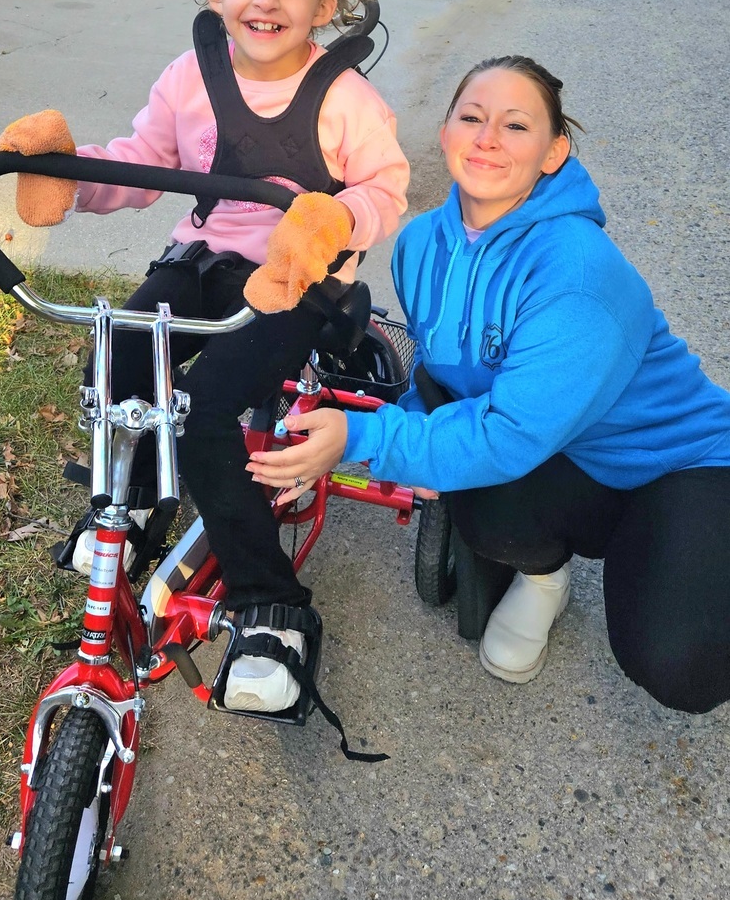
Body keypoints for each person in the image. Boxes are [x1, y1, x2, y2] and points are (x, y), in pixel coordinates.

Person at [0, 0, 409, 716]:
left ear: (326, 4)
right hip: (203, 256)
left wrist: (335, 220)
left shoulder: (345, 99)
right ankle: (139, 501)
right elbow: (145, 164)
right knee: (115, 360)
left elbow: (385, 188)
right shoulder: (191, 75)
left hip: (295, 280)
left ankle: (271, 606)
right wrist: (71, 175)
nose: (267, 1)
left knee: (208, 405)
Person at [247, 55, 730, 716]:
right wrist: (404, 421)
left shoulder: (577, 274)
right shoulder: (420, 246)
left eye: (515, 125)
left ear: (553, 152)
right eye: (470, 117)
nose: (487, 137)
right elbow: (440, 375)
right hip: (566, 454)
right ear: (443, 132)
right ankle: (543, 578)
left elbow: (505, 433)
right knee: (468, 480)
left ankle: (671, 552)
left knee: (679, 664)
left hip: (677, 467)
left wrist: (362, 435)